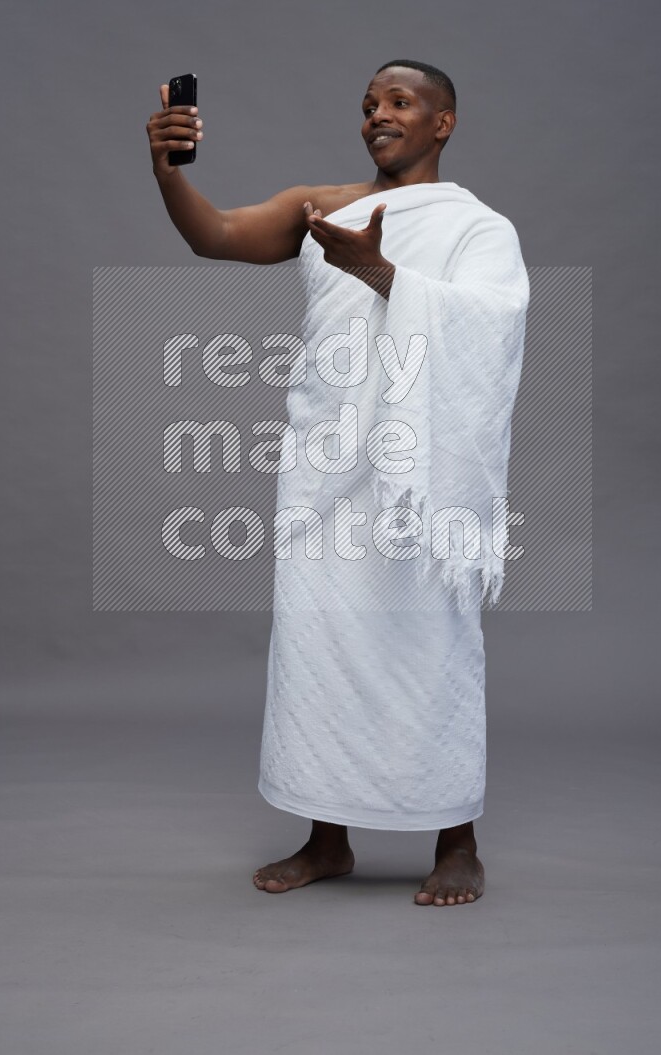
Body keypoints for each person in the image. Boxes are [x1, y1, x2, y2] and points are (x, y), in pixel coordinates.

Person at [146, 60, 528, 906]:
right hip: (326, 468)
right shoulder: (323, 208)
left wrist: (384, 273)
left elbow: (493, 323)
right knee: (322, 647)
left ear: (444, 123)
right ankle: (327, 838)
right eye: (367, 105)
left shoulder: (477, 230)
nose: (377, 115)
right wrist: (167, 171)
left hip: (417, 481)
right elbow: (215, 234)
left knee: (432, 644)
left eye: (399, 102)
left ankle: (456, 837)